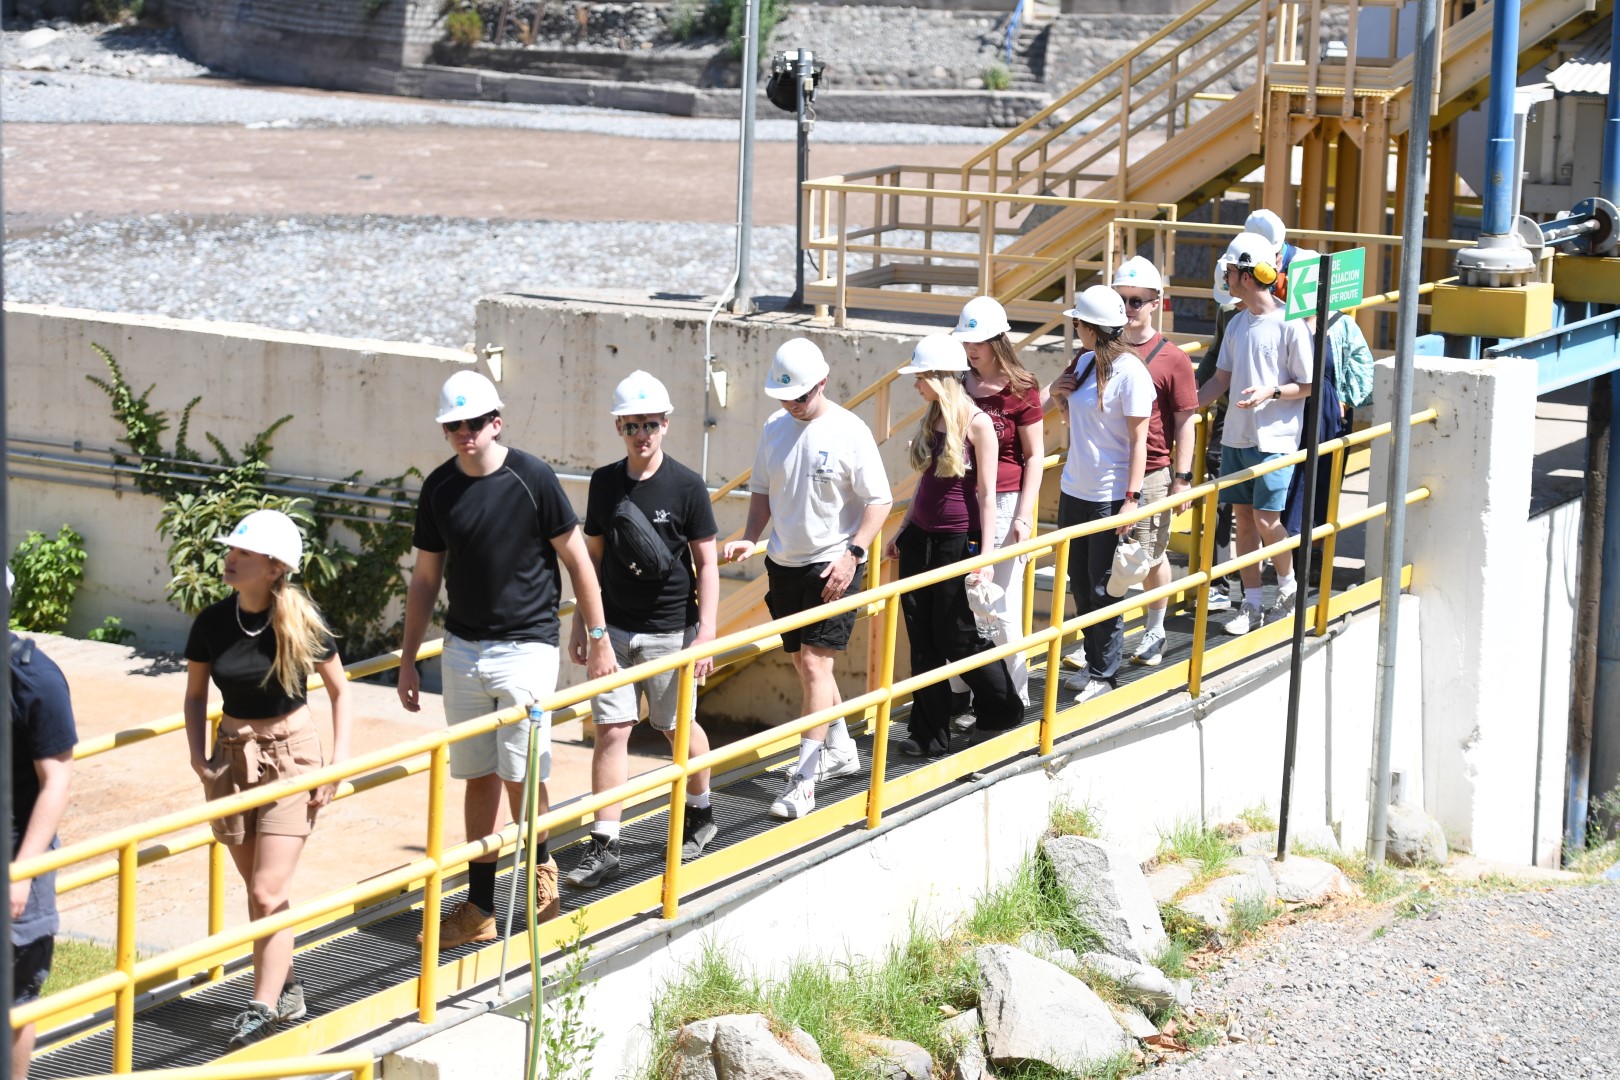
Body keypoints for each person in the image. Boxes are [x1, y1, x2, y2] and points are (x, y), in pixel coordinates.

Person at [399, 371, 616, 948]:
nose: (465, 434)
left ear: (497, 422)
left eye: (474, 423)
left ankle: (543, 876)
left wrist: (598, 640)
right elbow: (425, 578)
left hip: (527, 648)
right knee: (477, 775)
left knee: (524, 772)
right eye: (454, 426)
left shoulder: (533, 477)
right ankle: (479, 907)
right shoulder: (440, 489)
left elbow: (578, 562)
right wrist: (406, 659)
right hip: (464, 649)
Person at [183, 510, 350, 1048]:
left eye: (244, 554)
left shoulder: (300, 621)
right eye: (231, 551)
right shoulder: (211, 621)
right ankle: (289, 986)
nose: (230, 559)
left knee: (266, 887)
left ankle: (262, 1003)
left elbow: (342, 692)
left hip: (291, 756)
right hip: (232, 757)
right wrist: (198, 759)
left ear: (275, 567)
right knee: (259, 893)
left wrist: (336, 765)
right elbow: (193, 696)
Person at [722, 338, 892, 820]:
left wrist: (853, 554)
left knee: (817, 668)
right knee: (802, 663)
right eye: (784, 397)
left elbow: (878, 501)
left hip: (831, 566)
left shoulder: (849, 430)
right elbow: (761, 490)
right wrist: (749, 536)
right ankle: (839, 747)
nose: (791, 405)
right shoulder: (775, 427)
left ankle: (804, 780)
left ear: (823, 383)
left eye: (799, 396)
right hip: (783, 564)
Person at [568, 371, 721, 888]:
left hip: (669, 632)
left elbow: (708, 564)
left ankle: (700, 812)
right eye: (632, 425)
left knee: (675, 727)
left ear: (666, 423)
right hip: (612, 630)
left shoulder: (686, 485)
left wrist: (706, 635)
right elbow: (590, 558)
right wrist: (584, 626)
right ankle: (604, 842)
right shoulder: (604, 483)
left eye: (651, 423)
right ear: (618, 426)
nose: (642, 434)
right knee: (612, 732)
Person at [883, 335, 1025, 755]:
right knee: (921, 636)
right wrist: (903, 529)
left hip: (954, 541)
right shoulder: (932, 417)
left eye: (921, 377)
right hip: (920, 538)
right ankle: (928, 734)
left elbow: (985, 493)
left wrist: (985, 555)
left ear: (940, 377)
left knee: (957, 635)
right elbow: (927, 482)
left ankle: (1002, 710)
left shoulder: (978, 424)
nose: (916, 385)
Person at [1196, 232, 1314, 635]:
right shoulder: (1237, 324)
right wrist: (1187, 404)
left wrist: (1273, 391)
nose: (1225, 279)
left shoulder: (1290, 325)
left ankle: (1287, 584)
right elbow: (1221, 379)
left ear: (1246, 275)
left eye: (1229, 271)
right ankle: (1251, 603)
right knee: (1243, 522)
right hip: (1237, 437)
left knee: (1266, 521)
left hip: (1275, 441)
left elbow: (1309, 383)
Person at [1044, 285, 1153, 703]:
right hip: (1076, 490)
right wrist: (1058, 396)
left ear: (1092, 327)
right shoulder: (1086, 362)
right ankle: (1094, 661)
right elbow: (1077, 422)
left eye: (1078, 322)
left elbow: (1138, 441)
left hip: (1108, 495)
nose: (1075, 328)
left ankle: (1105, 673)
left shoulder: (1132, 373)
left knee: (1104, 586)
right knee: (1079, 583)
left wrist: (1132, 498)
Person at [951, 295, 1043, 704]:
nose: (972, 349)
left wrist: (1024, 516)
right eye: (967, 342)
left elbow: (1035, 455)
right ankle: (976, 697)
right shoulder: (956, 385)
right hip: (963, 502)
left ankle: (1016, 699)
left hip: (1005, 503)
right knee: (966, 608)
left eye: (980, 341)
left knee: (999, 607)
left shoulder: (1021, 388)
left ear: (998, 340)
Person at [1109, 257, 1199, 667]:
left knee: (1147, 556)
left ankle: (1155, 630)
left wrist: (1182, 479)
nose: (1128, 309)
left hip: (1152, 472)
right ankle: (1103, 639)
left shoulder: (1172, 359)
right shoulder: (1101, 349)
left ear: (1155, 303)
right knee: (1103, 560)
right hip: (1107, 471)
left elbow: (1185, 422)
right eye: (1121, 300)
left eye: (1136, 301)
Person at [10, 569, 77, 1079]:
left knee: (14, 999)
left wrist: (23, 873)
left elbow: (56, 780)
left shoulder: (34, 678)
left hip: (17, 860)